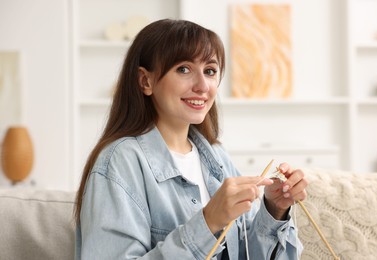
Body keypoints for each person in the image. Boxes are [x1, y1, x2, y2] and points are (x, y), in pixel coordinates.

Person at [74, 19, 308, 260]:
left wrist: (274, 209)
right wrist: (207, 223)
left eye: (210, 71)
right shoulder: (120, 162)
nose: (202, 86)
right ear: (146, 81)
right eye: (183, 69)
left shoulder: (216, 156)